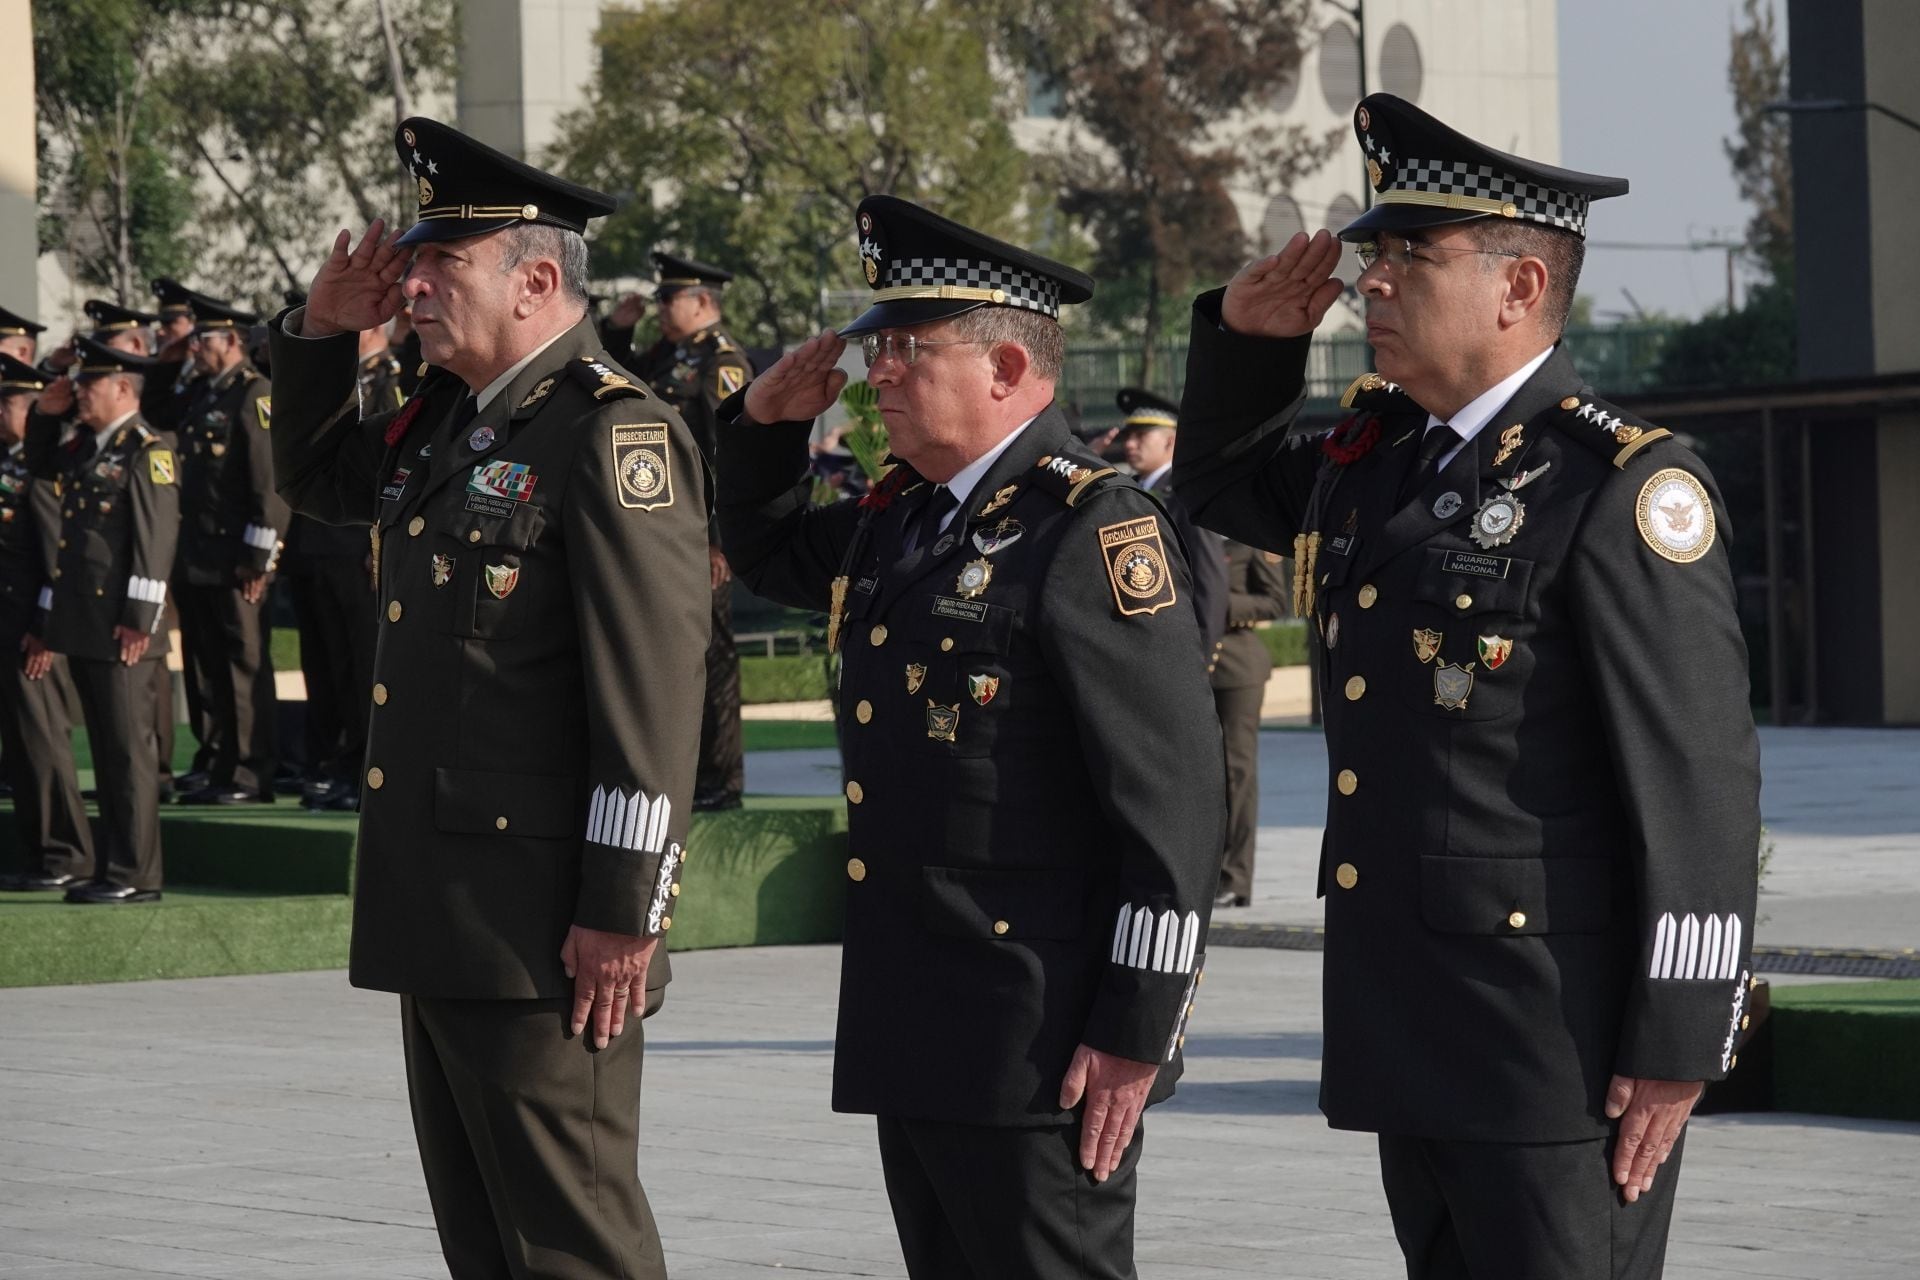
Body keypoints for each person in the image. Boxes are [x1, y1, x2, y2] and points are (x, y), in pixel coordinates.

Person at [1173, 94, 1761, 1279]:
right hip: (1414, 1018)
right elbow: (1220, 483)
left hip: (1556, 1041)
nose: (1372, 282)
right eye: (1375, 253)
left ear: (1520, 289)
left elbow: (1695, 777)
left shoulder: (1617, 489)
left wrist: (1681, 1035)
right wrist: (1245, 341)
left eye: (1410, 256)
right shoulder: (1377, 458)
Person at [718, 194, 1225, 1279]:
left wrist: (1141, 1025)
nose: (876, 372)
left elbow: (1174, 806)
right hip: (920, 1020)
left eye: (906, 347)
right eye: (876, 347)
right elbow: (760, 552)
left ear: (1005, 365)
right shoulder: (904, 515)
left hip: (1046, 1045)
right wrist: (762, 422)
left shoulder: (1091, 528)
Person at [269, 116, 709, 1279]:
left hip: (546, 927)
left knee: (572, 1242)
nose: (408, 282)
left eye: (438, 264)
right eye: (411, 259)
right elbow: (316, 476)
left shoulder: (612, 435)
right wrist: (322, 329)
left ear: (538, 280)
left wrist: (626, 903)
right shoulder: (450, 418)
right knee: (485, 1240)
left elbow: (650, 691)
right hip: (448, 907)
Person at [26, 336, 180, 904]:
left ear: (122, 387)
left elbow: (153, 539)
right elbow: (39, 464)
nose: (79, 394)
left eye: (89, 384)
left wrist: (141, 618)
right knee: (108, 755)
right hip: (88, 624)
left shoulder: (147, 449)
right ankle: (112, 864)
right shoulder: (91, 446)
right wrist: (46, 411)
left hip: (124, 631)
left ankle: (135, 874)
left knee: (127, 755)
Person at [610, 253, 754, 810]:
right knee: (665, 652)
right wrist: (619, 329)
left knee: (711, 654)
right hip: (661, 530)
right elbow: (616, 386)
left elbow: (729, 453)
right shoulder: (670, 356)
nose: (661, 308)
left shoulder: (722, 363)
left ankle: (722, 778)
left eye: (670, 299)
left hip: (699, 533)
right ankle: (686, 772)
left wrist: (721, 538)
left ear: (703, 303)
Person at [171, 297, 284, 805]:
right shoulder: (201, 395)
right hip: (197, 555)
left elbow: (269, 485)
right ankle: (219, 762)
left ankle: (248, 770)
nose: (195, 347)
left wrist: (259, 557)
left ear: (232, 341)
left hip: (238, 558)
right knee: (208, 665)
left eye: (204, 339)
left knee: (243, 663)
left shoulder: (253, 394)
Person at [280, 325, 395, 810]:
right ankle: (333, 763)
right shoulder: (345, 377)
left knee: (360, 665)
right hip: (320, 542)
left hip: (358, 546)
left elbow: (393, 468)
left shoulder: (391, 380)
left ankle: (360, 770)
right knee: (327, 666)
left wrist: (381, 541)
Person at [0, 355, 95, 891]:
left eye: (9, 402)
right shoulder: (10, 464)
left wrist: (44, 626)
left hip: (30, 631)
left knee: (45, 746)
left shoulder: (37, 473)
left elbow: (56, 557)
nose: (1, 411)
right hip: (8, 626)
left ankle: (67, 852)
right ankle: (42, 853)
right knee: (22, 749)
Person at [1114, 387, 1228, 657]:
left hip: (1174, 651)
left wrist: (1199, 660)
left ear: (1170, 441)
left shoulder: (1187, 497)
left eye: (1141, 435)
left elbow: (1208, 582)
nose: (1129, 444)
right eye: (1129, 435)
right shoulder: (1125, 493)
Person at [1209, 540, 1289, 907]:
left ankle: (1235, 877)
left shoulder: (1247, 541)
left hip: (1235, 665)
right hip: (1193, 664)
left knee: (1236, 772)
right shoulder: (1186, 525)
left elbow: (1276, 601)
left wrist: (1219, 604)